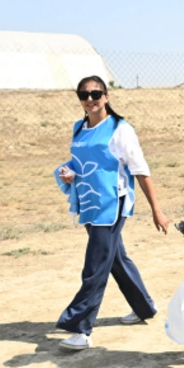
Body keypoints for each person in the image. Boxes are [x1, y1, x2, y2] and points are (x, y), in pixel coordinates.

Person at [54, 76, 169, 351]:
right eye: (84, 95)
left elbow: (140, 169)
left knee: (96, 264)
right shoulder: (79, 128)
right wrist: (69, 172)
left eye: (96, 93)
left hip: (111, 205)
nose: (90, 99)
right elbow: (82, 162)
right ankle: (144, 307)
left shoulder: (120, 129)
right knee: (115, 258)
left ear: (106, 96)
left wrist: (156, 209)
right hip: (89, 203)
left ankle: (81, 328)